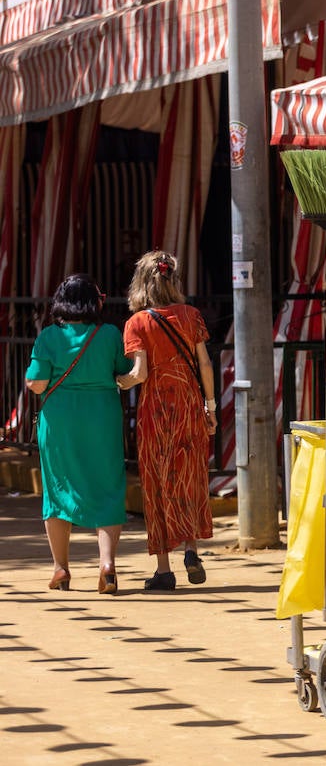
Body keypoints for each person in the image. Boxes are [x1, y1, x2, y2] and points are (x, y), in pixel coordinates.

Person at [25, 275, 133, 595]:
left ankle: (61, 569)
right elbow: (123, 371)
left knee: (58, 492)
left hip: (59, 421)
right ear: (94, 302)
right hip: (103, 416)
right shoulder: (110, 333)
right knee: (108, 487)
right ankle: (107, 566)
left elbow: (38, 383)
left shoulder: (48, 336)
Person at [117, 251, 217, 591]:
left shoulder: (137, 323)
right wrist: (212, 407)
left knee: (158, 483)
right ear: (172, 280)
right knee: (190, 476)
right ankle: (191, 549)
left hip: (156, 412)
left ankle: (164, 569)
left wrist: (119, 381)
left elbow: (140, 373)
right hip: (190, 405)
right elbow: (204, 364)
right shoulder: (191, 315)